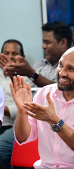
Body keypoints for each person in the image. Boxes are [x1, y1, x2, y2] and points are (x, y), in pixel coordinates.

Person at [12, 44, 74, 168]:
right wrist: (22, 110)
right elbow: (23, 138)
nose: (62, 73)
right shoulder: (44, 93)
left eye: (71, 69)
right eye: (61, 65)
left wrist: (55, 121)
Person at [0, 21, 72, 88]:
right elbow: (23, 89)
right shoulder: (39, 64)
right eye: (43, 42)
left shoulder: (72, 67)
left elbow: (61, 89)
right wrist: (12, 75)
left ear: (63, 43)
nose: (43, 46)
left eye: (47, 42)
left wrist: (31, 73)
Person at [0, 39, 24, 169]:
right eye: (6, 53)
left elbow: (24, 107)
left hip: (12, 127)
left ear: (22, 57)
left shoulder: (26, 78)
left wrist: (2, 109)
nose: (9, 57)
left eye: (14, 53)